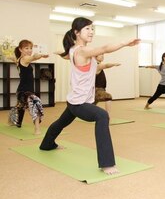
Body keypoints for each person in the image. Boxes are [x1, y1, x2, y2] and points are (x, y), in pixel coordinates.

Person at [39, 17, 140, 175]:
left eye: (92, 28)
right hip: (79, 103)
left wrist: (60, 53)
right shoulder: (82, 51)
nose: (91, 31)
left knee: (60, 123)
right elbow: (105, 48)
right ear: (76, 32)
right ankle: (107, 163)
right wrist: (125, 43)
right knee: (102, 116)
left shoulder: (74, 50)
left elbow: (71, 57)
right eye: (87, 29)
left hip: (75, 100)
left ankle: (47, 144)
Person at [9, 39, 49, 134]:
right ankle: (37, 129)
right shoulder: (25, 59)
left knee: (20, 107)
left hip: (21, 90)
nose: (29, 50)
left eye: (30, 48)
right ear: (20, 49)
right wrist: (41, 55)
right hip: (25, 91)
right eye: (26, 48)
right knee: (35, 104)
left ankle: (15, 121)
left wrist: (11, 57)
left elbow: (13, 58)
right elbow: (34, 57)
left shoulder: (18, 59)